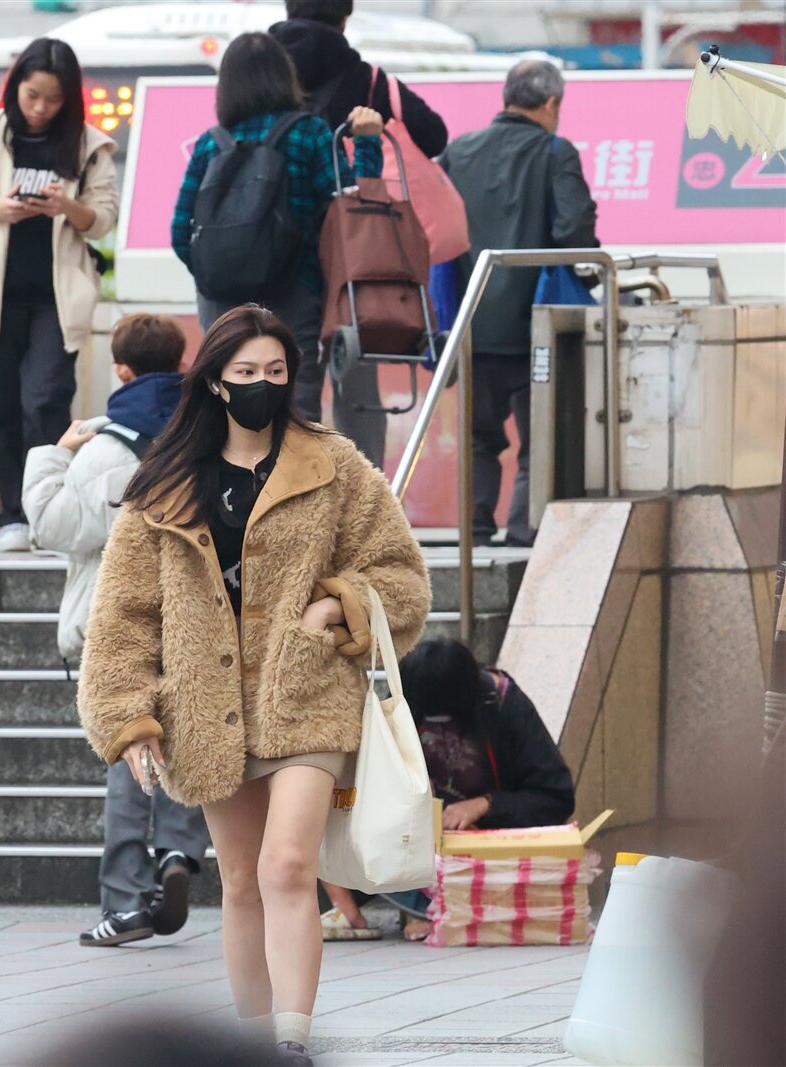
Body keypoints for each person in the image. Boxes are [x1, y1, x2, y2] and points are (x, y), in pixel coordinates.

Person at [77, 304, 429, 1066]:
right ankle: (253, 1043)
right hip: (207, 706)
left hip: (306, 693)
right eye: (245, 372)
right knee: (239, 878)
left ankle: (292, 1040)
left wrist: (337, 603)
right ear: (214, 380)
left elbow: (402, 575)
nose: (261, 385)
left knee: (287, 864)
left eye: (275, 371)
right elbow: (125, 613)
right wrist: (129, 716)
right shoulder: (164, 483)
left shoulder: (332, 464)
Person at [22, 313, 211, 947]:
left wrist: (56, 454)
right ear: (180, 364)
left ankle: (127, 899)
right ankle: (178, 850)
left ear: (121, 371)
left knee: (126, 752)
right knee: (182, 743)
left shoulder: (102, 450)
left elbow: (52, 527)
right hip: (190, 623)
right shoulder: (204, 438)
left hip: (115, 625)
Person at [171, 33, 384, 471]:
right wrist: (367, 144)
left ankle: (230, 500)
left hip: (220, 301)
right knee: (294, 402)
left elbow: (179, 231)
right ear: (284, 77)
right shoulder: (308, 132)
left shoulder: (210, 143)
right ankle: (297, 498)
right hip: (294, 291)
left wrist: (221, 271)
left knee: (223, 403)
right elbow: (351, 209)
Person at [0, 37, 120, 553]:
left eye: (53, 99)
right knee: (0, 408)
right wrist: (0, 210)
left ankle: (50, 508)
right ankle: (12, 516)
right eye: (32, 95)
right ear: (15, 87)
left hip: (57, 300)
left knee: (45, 400)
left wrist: (66, 206)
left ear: (69, 99)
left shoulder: (88, 147)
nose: (40, 108)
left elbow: (103, 220)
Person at [270, 0, 450, 468]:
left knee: (281, 386)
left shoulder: (258, 73)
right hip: (356, 253)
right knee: (357, 383)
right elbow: (435, 135)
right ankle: (365, 496)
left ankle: (287, 494)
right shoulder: (367, 80)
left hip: (276, 257)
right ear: (345, 18)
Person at [441, 59, 598, 547]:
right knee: (539, 444)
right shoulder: (555, 151)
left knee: (478, 440)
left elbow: (438, 230)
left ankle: (474, 535)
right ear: (551, 103)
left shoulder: (457, 152)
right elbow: (574, 230)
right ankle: (523, 537)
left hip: (470, 325)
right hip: (536, 330)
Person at [384, 637, 575, 941]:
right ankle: (422, 908)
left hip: (495, 847)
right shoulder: (407, 700)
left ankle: (451, 907)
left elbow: (556, 797)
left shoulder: (502, 704)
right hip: (424, 844)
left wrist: (486, 804)